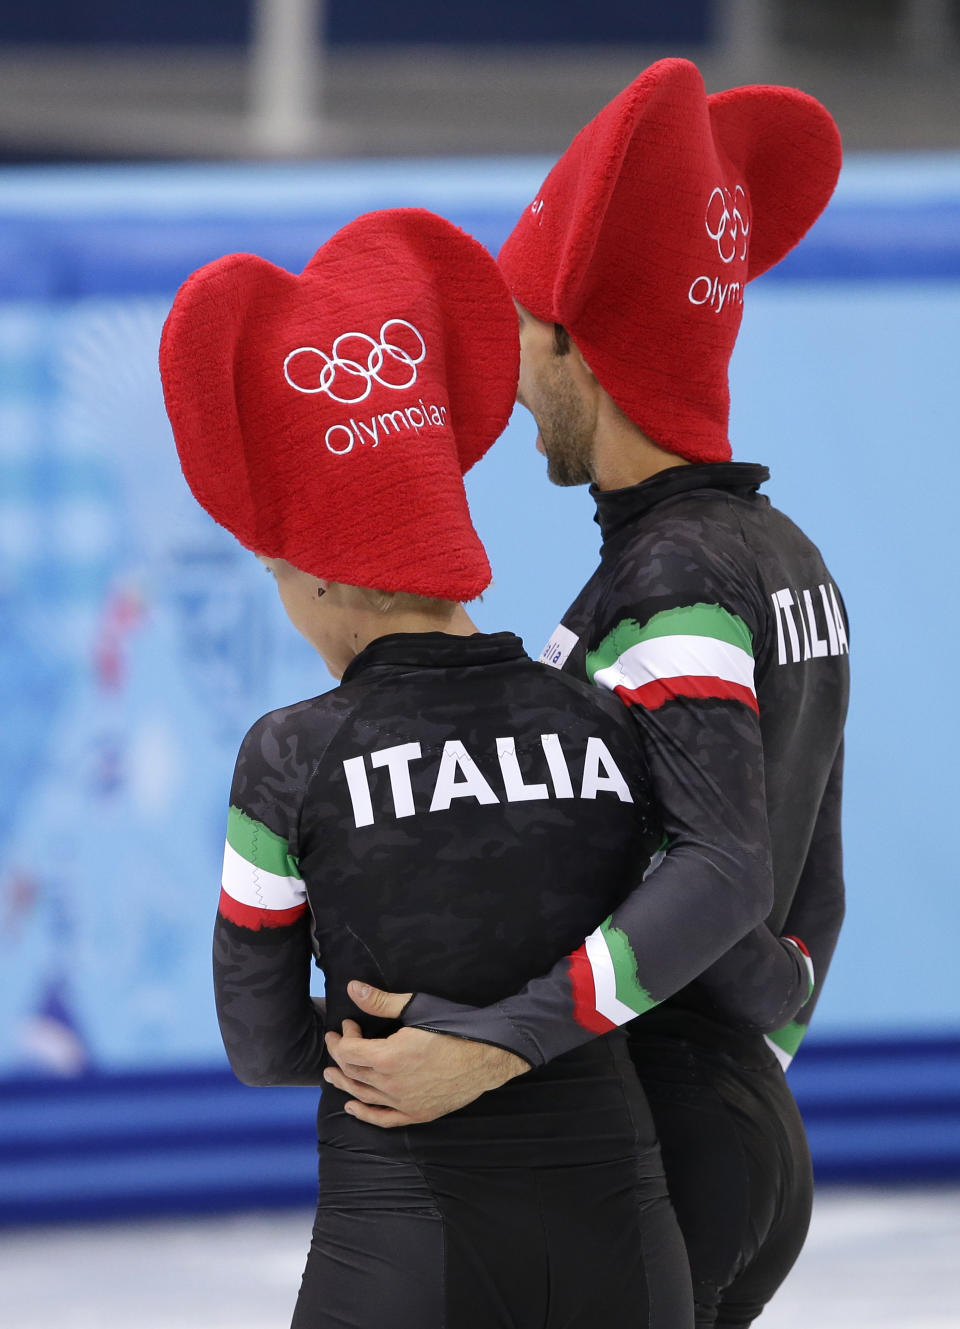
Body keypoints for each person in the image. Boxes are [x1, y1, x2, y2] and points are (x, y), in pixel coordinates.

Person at [322, 61, 849, 1328]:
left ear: (576, 337)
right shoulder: (783, 558)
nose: (505, 373)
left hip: (661, 1138)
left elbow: (722, 873)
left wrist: (500, 1040)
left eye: (515, 327)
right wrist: (753, 1061)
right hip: (728, 1126)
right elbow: (808, 878)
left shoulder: (674, 578)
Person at [159, 207, 695, 1329]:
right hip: (624, 1236)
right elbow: (689, 928)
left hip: (405, 1236)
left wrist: (391, 1054)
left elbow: (259, 1044)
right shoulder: (602, 717)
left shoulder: (290, 756)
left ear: (306, 571)